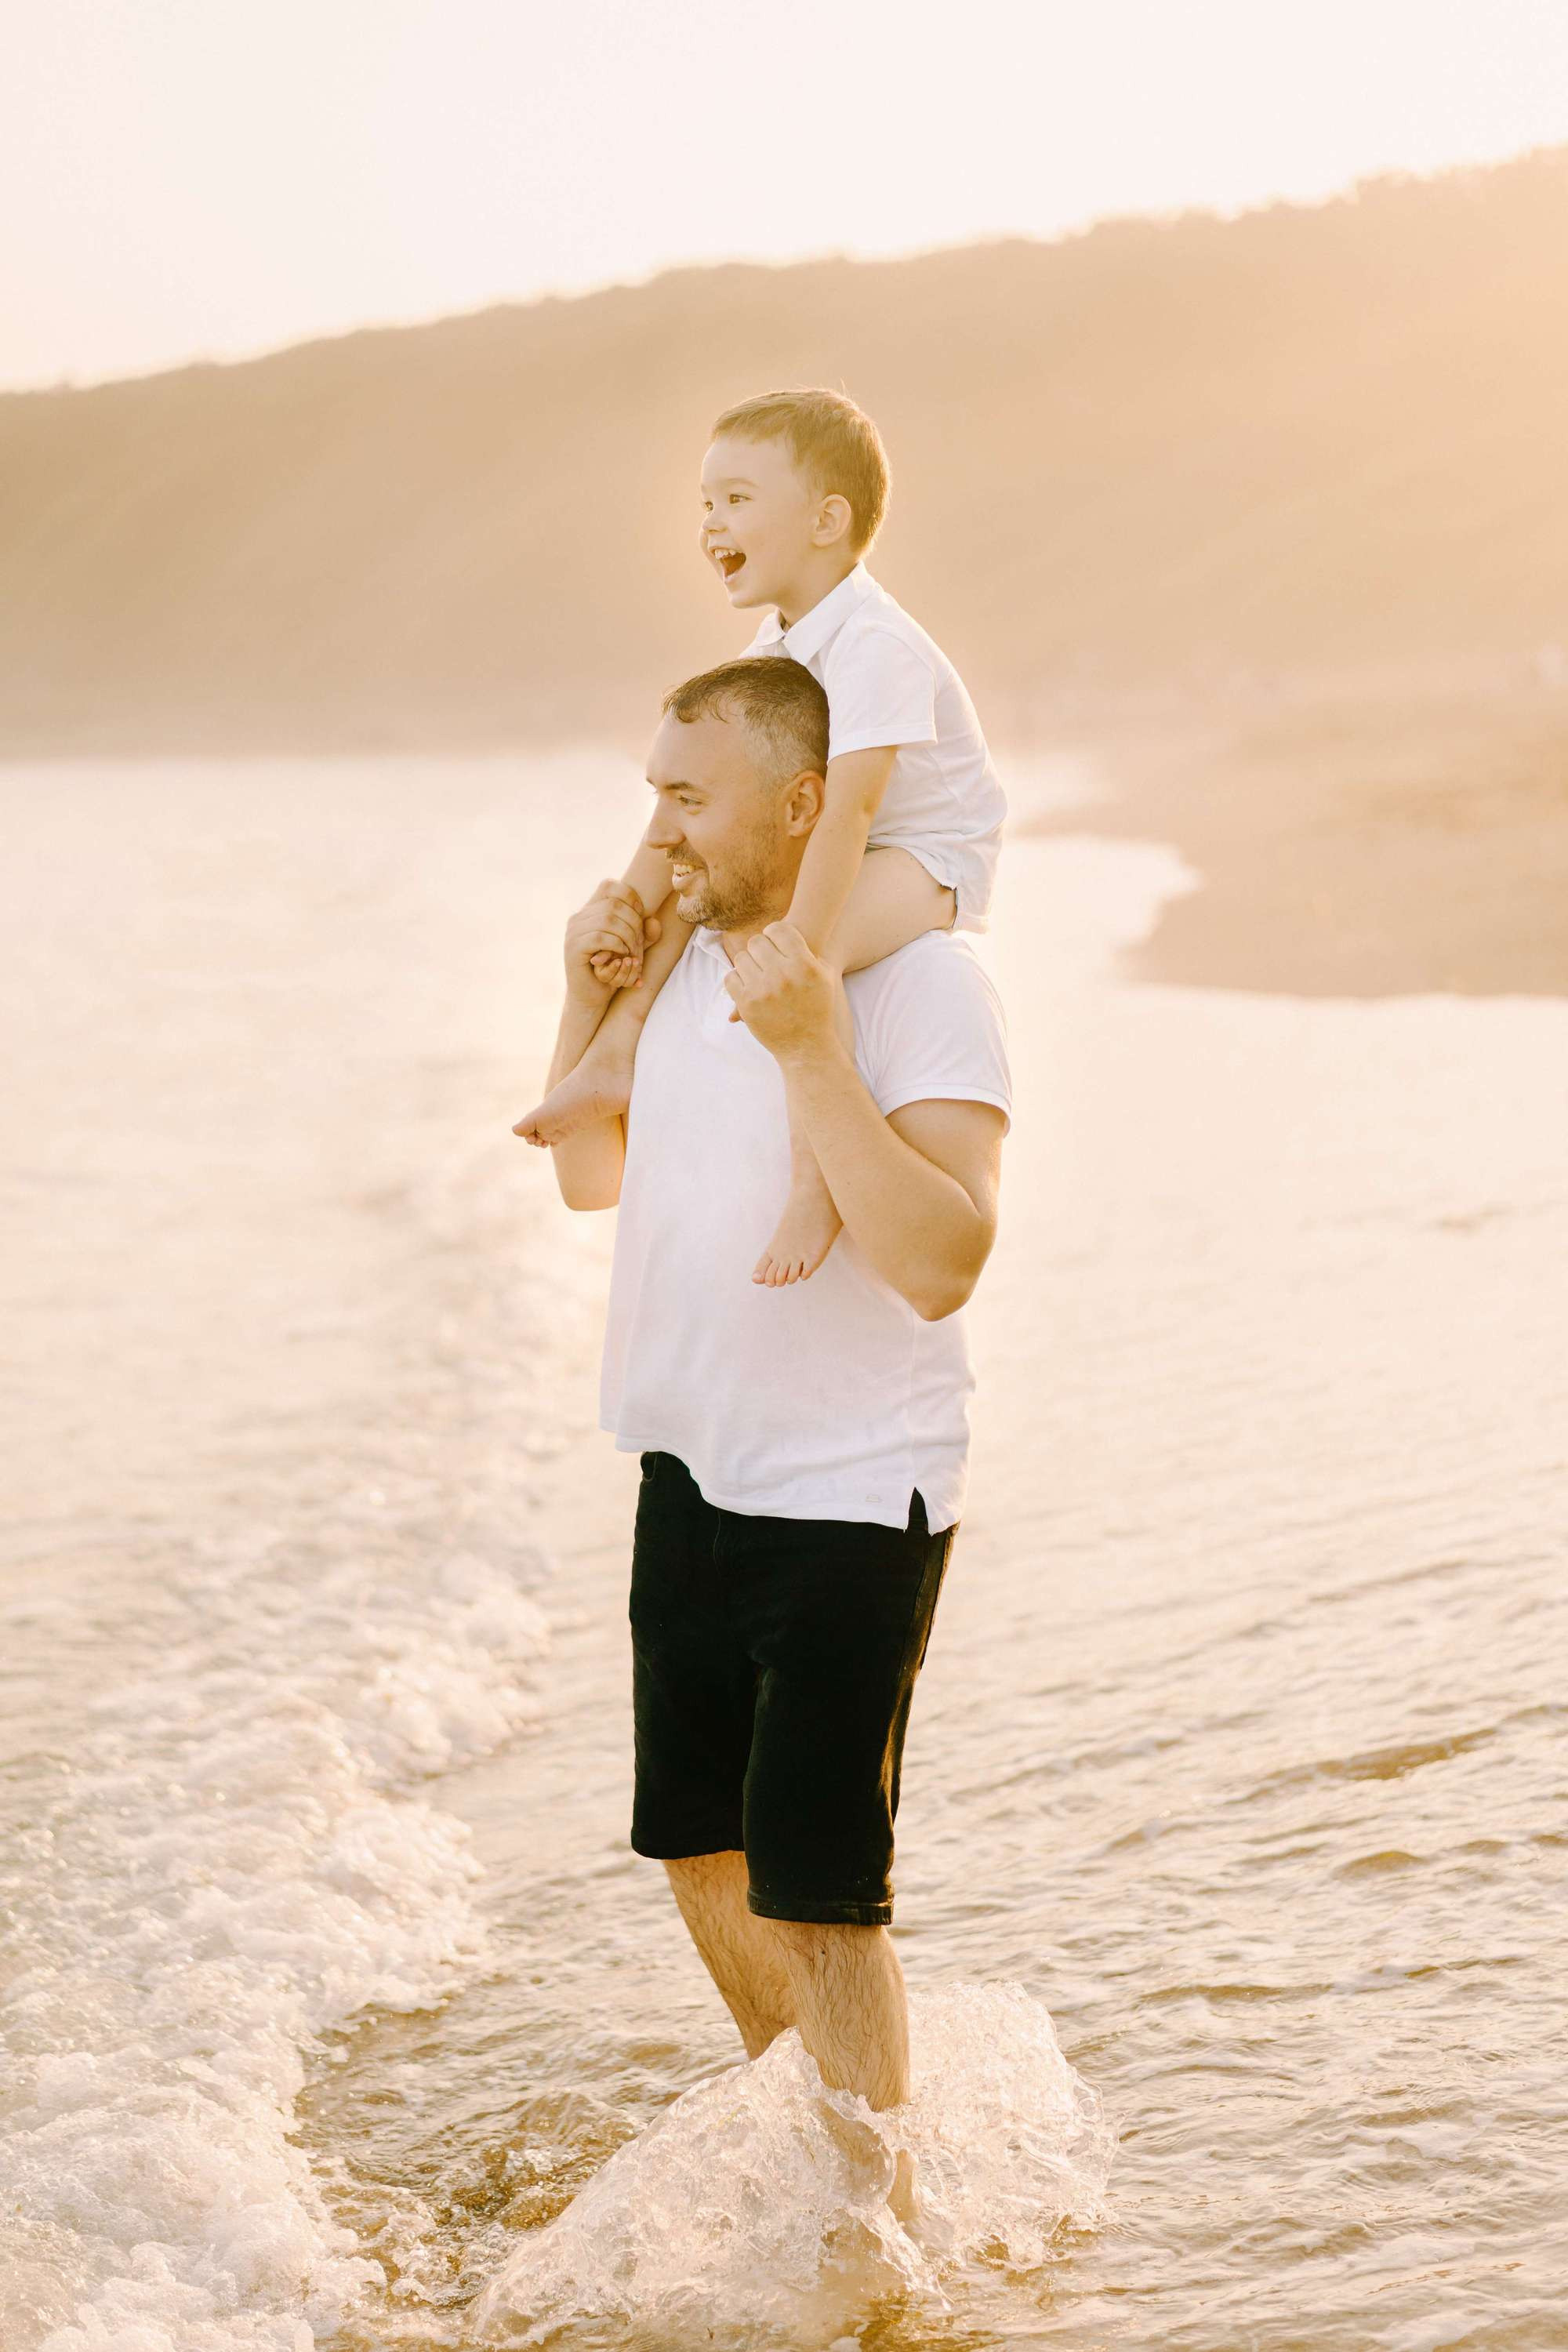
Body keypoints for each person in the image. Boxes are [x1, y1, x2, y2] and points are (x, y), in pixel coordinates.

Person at [517, 654, 1011, 2220]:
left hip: (854, 1486)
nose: (655, 824)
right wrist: (588, 995)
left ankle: (880, 2235)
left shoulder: (922, 981)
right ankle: (815, 2138)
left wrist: (809, 1045)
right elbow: (588, 1177)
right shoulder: (680, 961)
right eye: (652, 786)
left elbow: (942, 1258)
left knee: (820, 1893)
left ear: (803, 805)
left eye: (685, 792)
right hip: (691, 1466)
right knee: (697, 1851)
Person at [514, 386, 1007, 1291]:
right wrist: (631, 908)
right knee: (693, 914)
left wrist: (795, 950)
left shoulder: (874, 645)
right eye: (705, 503)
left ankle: (814, 1182)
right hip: (856, 846)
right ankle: (617, 1055)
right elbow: (683, 807)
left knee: (800, 980)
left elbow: (851, 812)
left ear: (827, 519)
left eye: (736, 499)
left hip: (928, 857)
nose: (710, 524)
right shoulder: (772, 650)